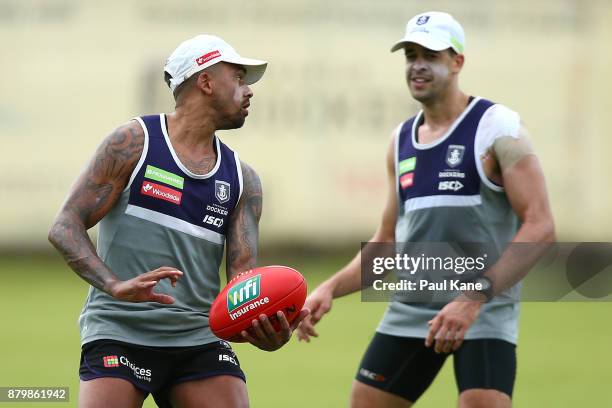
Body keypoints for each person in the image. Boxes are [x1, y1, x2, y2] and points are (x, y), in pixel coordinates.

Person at [297, 11, 555, 408]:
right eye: (411, 54)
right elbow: (388, 243)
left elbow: (540, 227)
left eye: (431, 54)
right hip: (412, 308)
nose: (418, 65)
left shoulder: (498, 129)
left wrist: (471, 300)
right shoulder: (400, 140)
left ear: (457, 62)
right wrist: (330, 289)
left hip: (482, 311)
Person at [48, 34, 308, 408]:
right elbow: (65, 226)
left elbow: (240, 285)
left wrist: (263, 321)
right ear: (205, 81)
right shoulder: (134, 143)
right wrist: (115, 285)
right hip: (119, 329)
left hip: (198, 340)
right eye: (238, 77)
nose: (248, 90)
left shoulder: (243, 180)